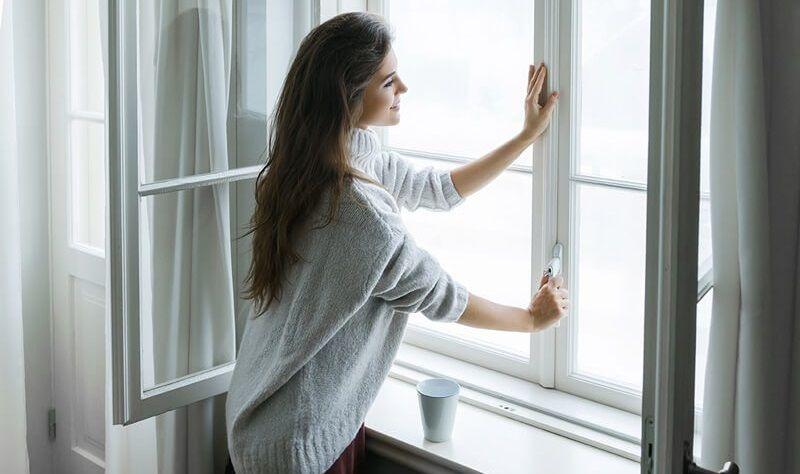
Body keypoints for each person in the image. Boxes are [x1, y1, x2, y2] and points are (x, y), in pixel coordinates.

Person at [224, 11, 568, 474]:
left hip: (257, 417)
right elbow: (441, 296)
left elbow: (437, 189)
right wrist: (530, 320)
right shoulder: (362, 218)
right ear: (347, 96)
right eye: (388, 82)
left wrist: (525, 137)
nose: (403, 88)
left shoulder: (313, 161)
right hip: (297, 443)